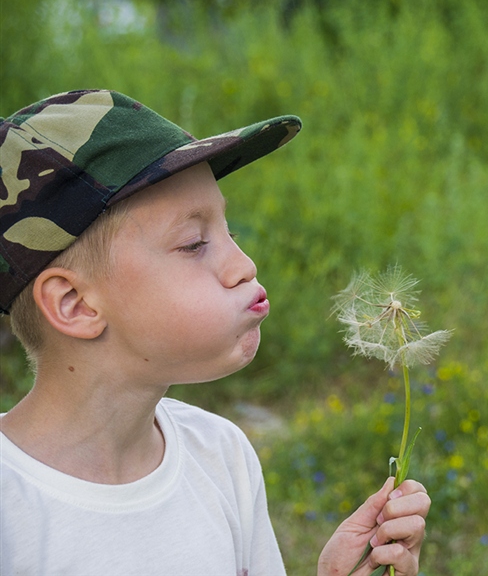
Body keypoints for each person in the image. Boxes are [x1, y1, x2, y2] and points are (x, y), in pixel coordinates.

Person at [0, 90, 430, 575]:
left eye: (231, 233)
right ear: (75, 304)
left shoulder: (221, 456)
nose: (243, 266)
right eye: (193, 244)